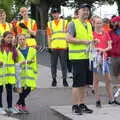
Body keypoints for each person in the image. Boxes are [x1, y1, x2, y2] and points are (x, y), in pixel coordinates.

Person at [66, 3, 96, 115]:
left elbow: (89, 39)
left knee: (85, 83)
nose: (86, 12)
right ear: (78, 12)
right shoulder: (73, 24)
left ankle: (82, 104)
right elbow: (68, 39)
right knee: (77, 83)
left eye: (87, 10)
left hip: (87, 58)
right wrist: (83, 42)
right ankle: (74, 106)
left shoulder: (88, 25)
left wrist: (93, 42)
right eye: (83, 10)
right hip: (77, 58)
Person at [92, 17, 119, 107]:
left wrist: (103, 49)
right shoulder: (92, 34)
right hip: (96, 59)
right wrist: (97, 49)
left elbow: (110, 46)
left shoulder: (106, 33)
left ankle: (111, 99)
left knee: (108, 79)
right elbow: (90, 47)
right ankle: (97, 100)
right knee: (96, 80)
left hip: (105, 59)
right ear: (93, 24)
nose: (100, 25)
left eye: (101, 23)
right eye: (97, 23)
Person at [14, 34, 37, 113]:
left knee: (29, 88)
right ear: (17, 41)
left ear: (26, 40)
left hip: (30, 73)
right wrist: (23, 62)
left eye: (23, 39)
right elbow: (15, 63)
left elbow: (35, 61)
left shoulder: (32, 50)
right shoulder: (15, 51)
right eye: (20, 39)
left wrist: (35, 71)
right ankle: (23, 107)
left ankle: (17, 104)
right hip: (20, 72)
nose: (22, 41)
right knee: (22, 90)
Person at [47, 6, 68, 87]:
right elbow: (49, 36)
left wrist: (67, 45)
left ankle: (64, 80)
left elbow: (67, 34)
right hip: (54, 47)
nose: (55, 14)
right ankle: (54, 79)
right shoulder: (50, 23)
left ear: (59, 13)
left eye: (56, 13)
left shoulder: (65, 22)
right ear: (52, 15)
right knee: (53, 64)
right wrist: (49, 46)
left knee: (63, 65)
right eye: (53, 13)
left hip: (63, 47)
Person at [0, 31, 18, 114]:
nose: (10, 39)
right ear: (4, 38)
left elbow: (15, 59)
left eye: (11, 37)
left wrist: (14, 47)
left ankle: (10, 107)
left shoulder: (13, 47)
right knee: (0, 91)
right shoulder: (0, 47)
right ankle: (0, 107)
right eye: (8, 37)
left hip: (9, 73)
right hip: (1, 72)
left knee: (9, 91)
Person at [108, 16, 120, 101]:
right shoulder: (110, 33)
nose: (112, 24)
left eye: (114, 22)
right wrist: (107, 56)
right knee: (116, 75)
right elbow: (108, 45)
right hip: (114, 57)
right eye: (112, 22)